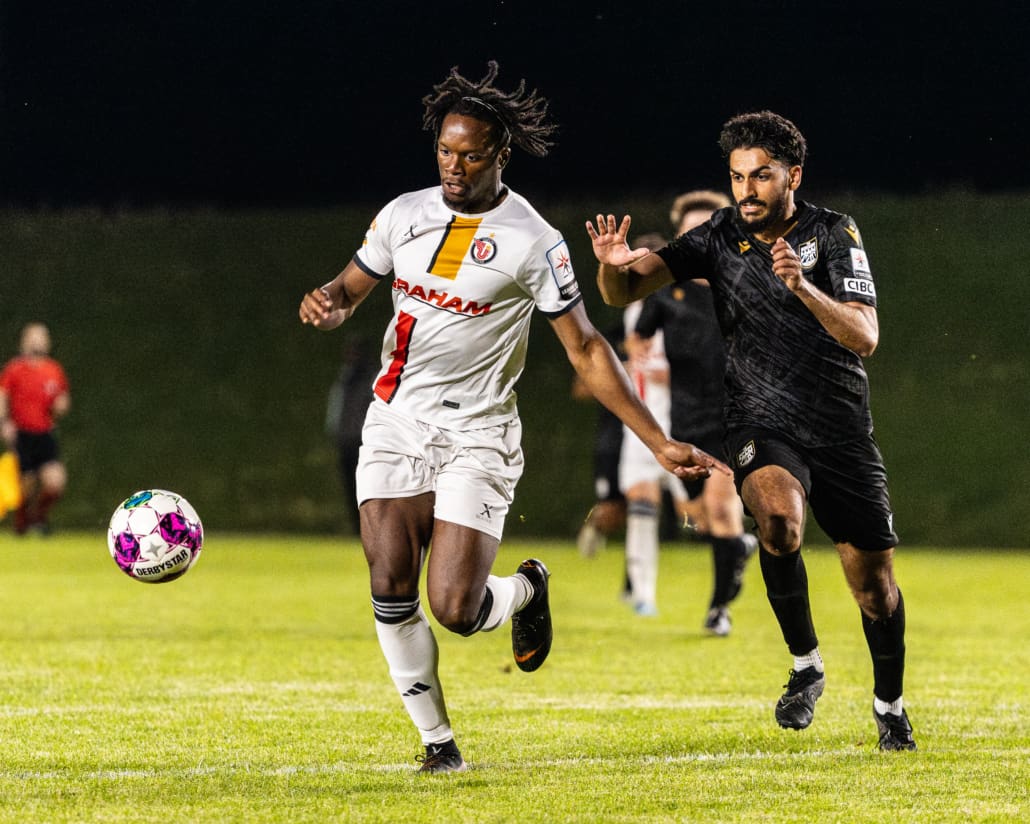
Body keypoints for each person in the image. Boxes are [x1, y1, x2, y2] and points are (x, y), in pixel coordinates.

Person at [298, 61, 727, 774]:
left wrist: (655, 440)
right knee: (389, 584)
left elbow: (588, 348)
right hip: (397, 420)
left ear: (500, 153)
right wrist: (330, 301)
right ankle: (439, 745)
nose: (454, 167)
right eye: (444, 152)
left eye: (469, 155)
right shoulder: (403, 214)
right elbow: (348, 287)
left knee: (456, 608)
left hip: (479, 435)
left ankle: (527, 588)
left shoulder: (534, 241)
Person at [587, 110, 916, 751]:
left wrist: (803, 288)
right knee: (777, 517)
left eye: (761, 176)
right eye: (737, 176)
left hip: (842, 429)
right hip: (758, 421)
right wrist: (609, 264)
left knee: (873, 588)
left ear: (793, 174)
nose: (747, 190)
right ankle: (804, 664)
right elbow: (622, 292)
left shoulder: (835, 233)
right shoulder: (717, 235)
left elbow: (865, 336)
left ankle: (890, 705)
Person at [633, 191, 758, 636]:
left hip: (738, 415)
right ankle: (739, 547)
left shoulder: (747, 282)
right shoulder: (668, 293)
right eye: (691, 232)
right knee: (698, 517)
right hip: (685, 420)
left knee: (722, 511)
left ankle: (718, 609)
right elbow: (638, 340)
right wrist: (642, 360)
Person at [0, 322, 71, 535]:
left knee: (55, 482)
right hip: (22, 434)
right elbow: (2, 397)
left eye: (42, 337)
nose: (37, 341)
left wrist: (61, 404)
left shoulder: (53, 369)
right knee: (27, 484)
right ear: (25, 340)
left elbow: (62, 399)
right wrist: (4, 424)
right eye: (34, 337)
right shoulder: (15, 369)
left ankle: (39, 517)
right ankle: (23, 522)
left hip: (45, 434)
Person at [324, 335, 377, 534]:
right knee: (351, 487)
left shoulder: (372, 377)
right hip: (345, 440)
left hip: (362, 440)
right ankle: (358, 528)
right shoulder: (345, 376)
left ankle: (369, 528)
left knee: (367, 487)